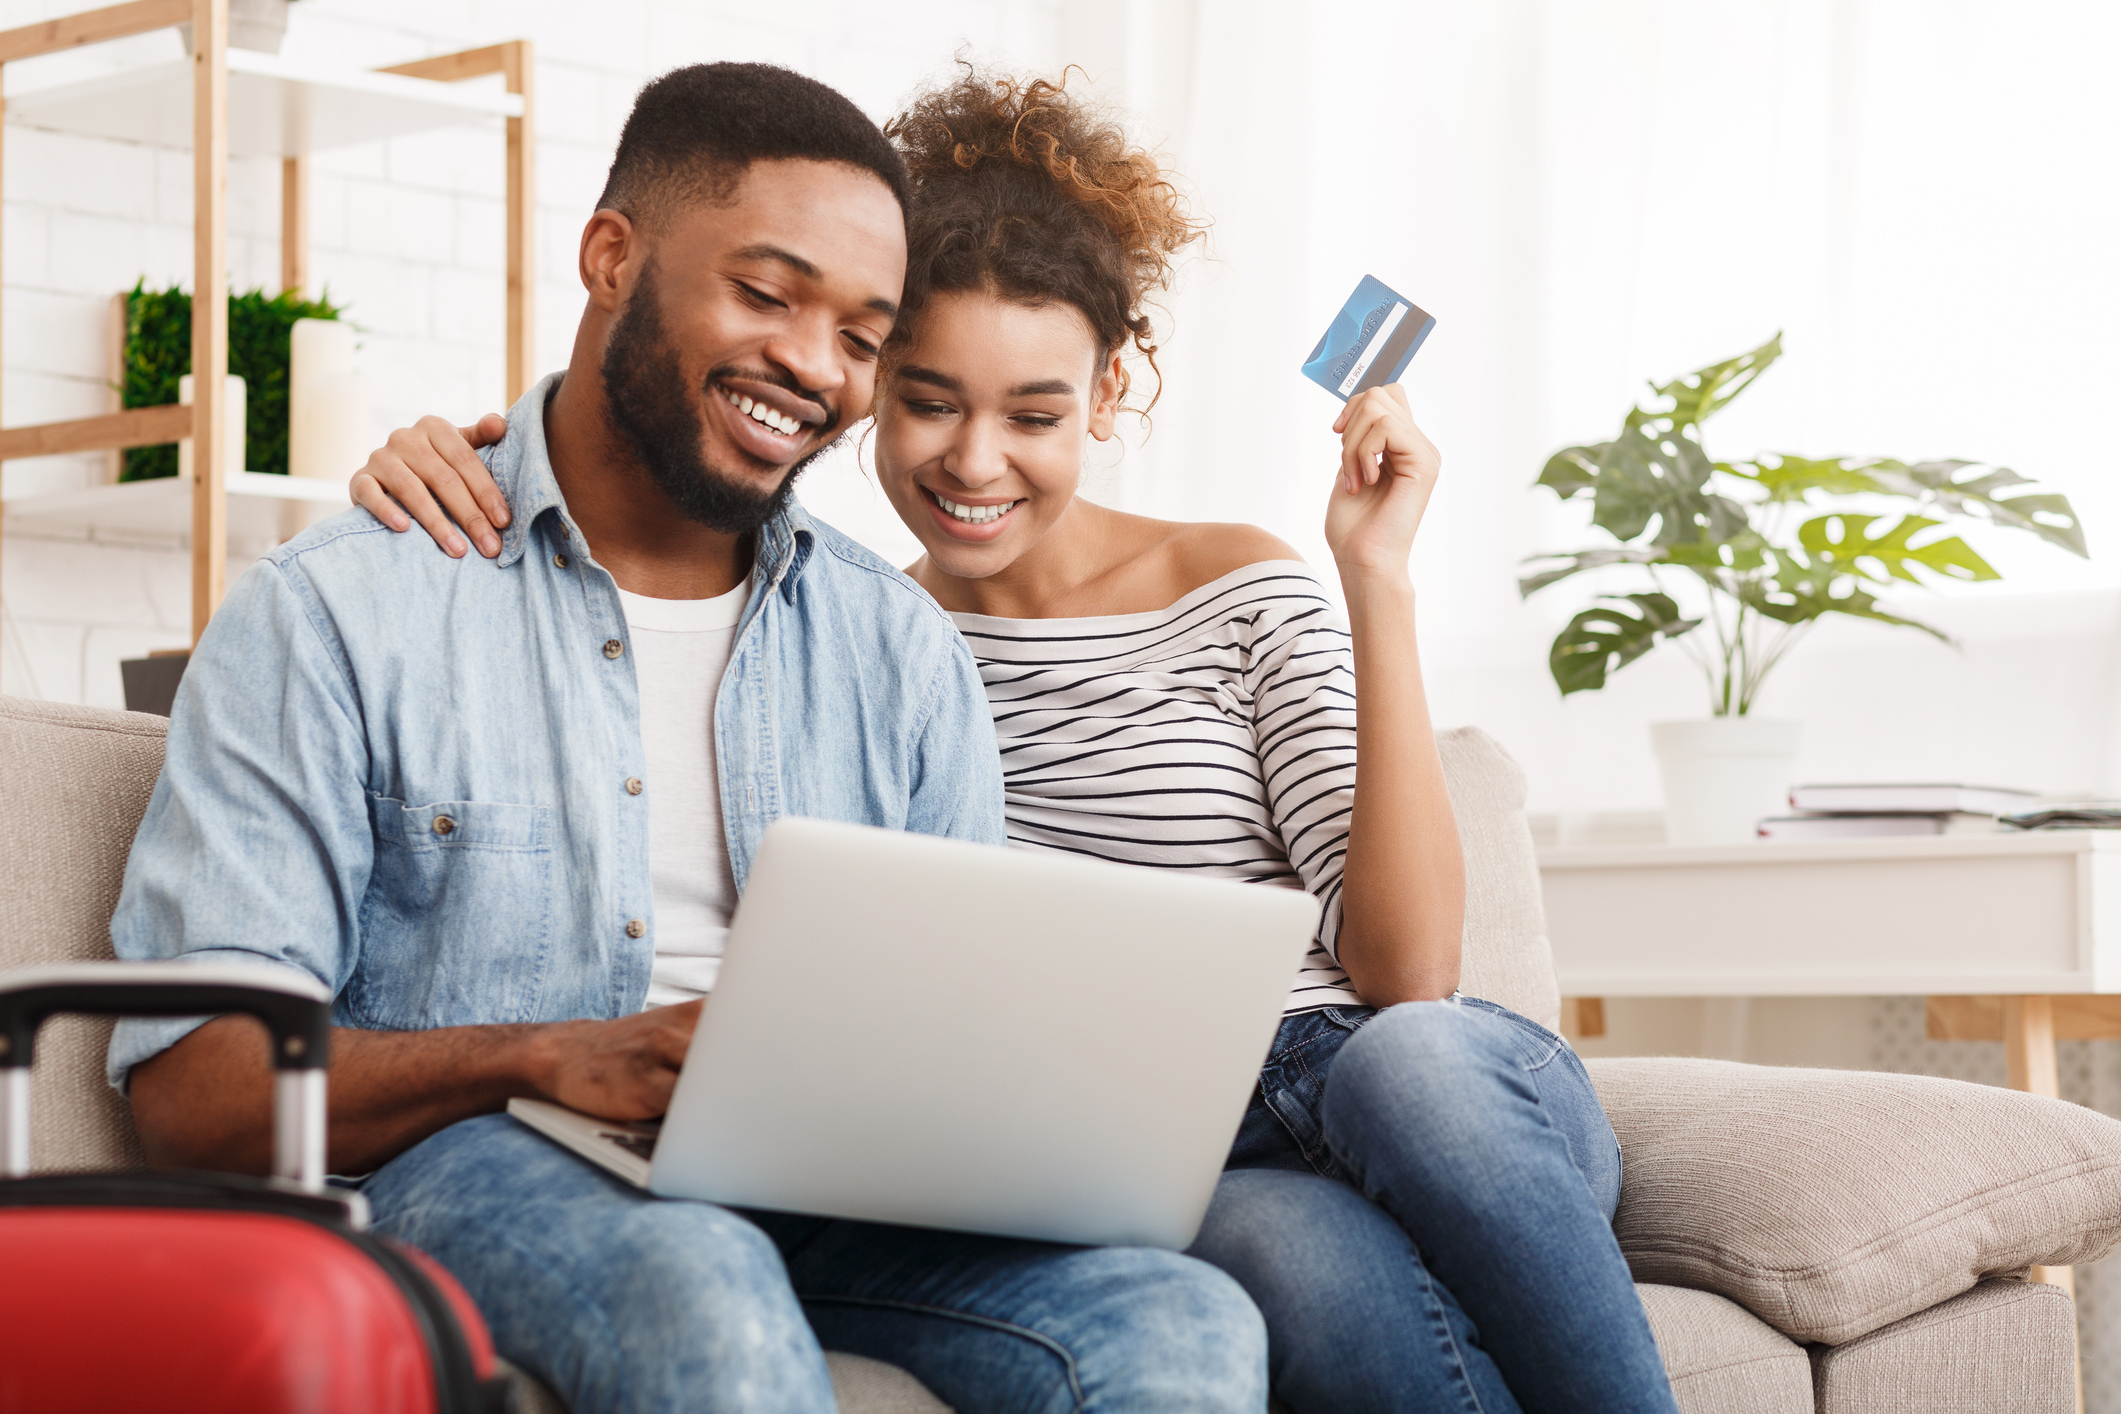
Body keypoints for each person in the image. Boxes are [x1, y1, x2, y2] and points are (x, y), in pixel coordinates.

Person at [358, 67, 1682, 1414]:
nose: (974, 461)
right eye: (928, 399)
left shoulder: (1236, 584)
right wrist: (468, 450)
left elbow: (1410, 974)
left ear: (1107, 393)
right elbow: (649, 450)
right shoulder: (858, 646)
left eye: (1033, 414)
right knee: (1285, 1267)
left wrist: (1373, 581)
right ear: (868, 382)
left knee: (1413, 1064)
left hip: (1407, 1086)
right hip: (1193, 1154)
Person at [109, 63, 1269, 1414]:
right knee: (696, 1276)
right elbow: (191, 1085)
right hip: (464, 1164)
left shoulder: (896, 649)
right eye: (767, 296)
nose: (810, 366)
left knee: (1176, 1314)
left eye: (858, 334)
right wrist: (540, 1053)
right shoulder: (344, 609)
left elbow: (964, 1038)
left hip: (821, 1187)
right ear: (612, 256)